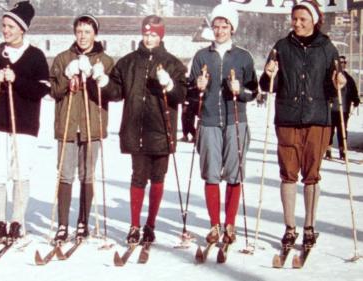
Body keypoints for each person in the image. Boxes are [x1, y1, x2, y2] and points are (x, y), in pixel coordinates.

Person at [260, 1, 345, 250]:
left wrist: (339, 83)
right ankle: (289, 227)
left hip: (318, 119)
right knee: (288, 172)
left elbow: (331, 89)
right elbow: (268, 86)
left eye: (302, 19)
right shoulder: (281, 47)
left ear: (314, 20)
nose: (296, 23)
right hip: (287, 117)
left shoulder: (327, 48)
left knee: (312, 175)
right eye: (294, 19)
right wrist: (268, 73)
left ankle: (309, 226)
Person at [102, 15, 187, 244]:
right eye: (146, 34)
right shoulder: (128, 62)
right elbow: (116, 92)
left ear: (161, 36)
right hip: (136, 129)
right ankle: (134, 225)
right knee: (138, 177)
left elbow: (182, 95)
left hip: (161, 130)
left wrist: (169, 84)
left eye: (154, 35)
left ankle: (150, 224)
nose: (149, 39)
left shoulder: (173, 63)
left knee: (158, 178)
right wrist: (102, 81)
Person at [0, 1, 49, 243]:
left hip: (25, 125)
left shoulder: (36, 56)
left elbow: (40, 90)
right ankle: (0, 222)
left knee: (20, 172)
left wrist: (16, 79)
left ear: (22, 28)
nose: (5, 30)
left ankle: (17, 220)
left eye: (10, 26)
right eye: (3, 25)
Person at [189, 3, 258, 246]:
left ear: (232, 28)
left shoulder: (243, 56)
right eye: (216, 26)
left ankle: (230, 222)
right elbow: (189, 92)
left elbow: (254, 90)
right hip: (208, 120)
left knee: (233, 172)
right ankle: (214, 224)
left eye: (224, 26)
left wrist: (241, 91)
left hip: (235, 121)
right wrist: (198, 87)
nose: (219, 31)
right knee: (210, 172)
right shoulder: (201, 56)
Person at [49, 14, 114, 243]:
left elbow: (112, 92)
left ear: (95, 33)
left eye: (87, 31)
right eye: (79, 31)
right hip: (67, 124)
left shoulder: (105, 60)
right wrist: (67, 78)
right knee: (65, 174)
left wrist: (98, 77)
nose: (83, 36)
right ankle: (62, 224)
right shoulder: (61, 58)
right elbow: (53, 91)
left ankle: (83, 221)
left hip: (91, 125)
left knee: (87, 174)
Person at [325, 55, 360, 160]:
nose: (342, 65)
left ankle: (342, 151)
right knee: (330, 130)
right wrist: (329, 98)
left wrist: (356, 100)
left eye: (344, 63)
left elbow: (353, 91)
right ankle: (328, 150)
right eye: (340, 63)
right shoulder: (330, 77)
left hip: (343, 110)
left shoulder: (348, 79)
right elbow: (325, 91)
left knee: (342, 131)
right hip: (331, 109)